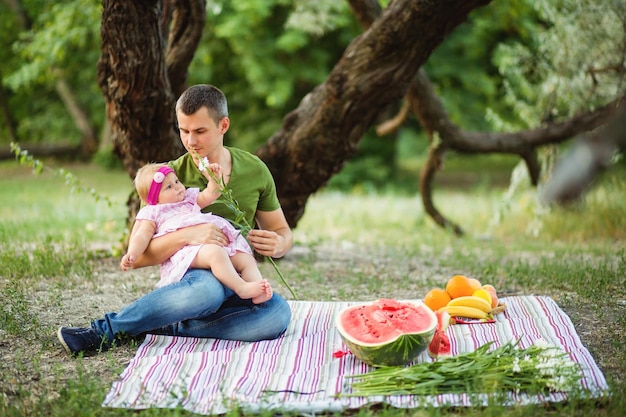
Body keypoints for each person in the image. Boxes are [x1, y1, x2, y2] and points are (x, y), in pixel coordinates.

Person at [57, 84, 293, 355]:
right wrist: (188, 236)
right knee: (208, 292)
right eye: (184, 130)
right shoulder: (167, 180)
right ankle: (103, 331)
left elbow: (282, 232)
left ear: (223, 125)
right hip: (196, 276)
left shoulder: (255, 169)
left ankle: (166, 325)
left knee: (277, 314)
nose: (190, 141)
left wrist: (279, 244)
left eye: (200, 131)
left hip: (241, 273)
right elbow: (142, 256)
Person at [120, 162, 272, 304]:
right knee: (216, 254)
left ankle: (257, 290)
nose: (178, 187)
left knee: (245, 258)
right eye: (169, 187)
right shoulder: (153, 212)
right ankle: (241, 288)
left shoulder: (188, 198)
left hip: (210, 242)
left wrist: (214, 179)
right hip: (187, 251)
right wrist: (132, 254)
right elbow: (141, 236)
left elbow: (210, 194)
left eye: (177, 182)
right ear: (154, 199)